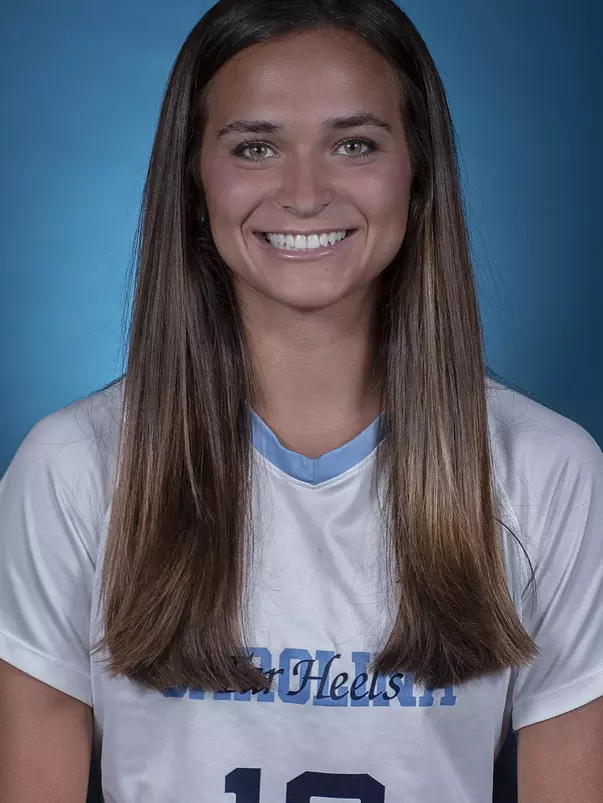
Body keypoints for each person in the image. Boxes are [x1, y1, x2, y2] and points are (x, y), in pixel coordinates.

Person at [1, 0, 602, 801]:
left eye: (354, 143)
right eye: (255, 146)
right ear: (192, 178)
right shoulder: (72, 467)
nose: (305, 192)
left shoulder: (546, 469)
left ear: (416, 169)